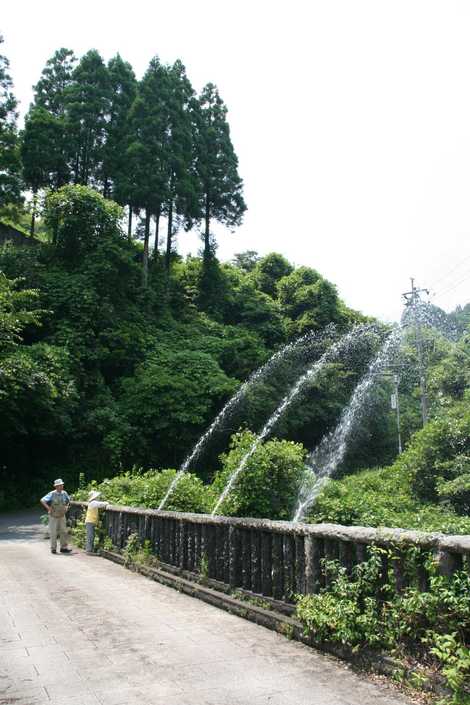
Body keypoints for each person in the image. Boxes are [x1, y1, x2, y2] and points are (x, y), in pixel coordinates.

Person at [40, 479, 72, 554]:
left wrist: (67, 507)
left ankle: (63, 547)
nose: (62, 486)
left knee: (64, 531)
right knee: (53, 532)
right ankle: (53, 548)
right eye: (60, 485)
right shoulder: (52, 493)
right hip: (53, 516)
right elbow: (42, 500)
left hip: (62, 515)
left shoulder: (64, 493)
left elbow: (69, 500)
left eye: (62, 485)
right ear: (56, 486)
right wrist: (48, 508)